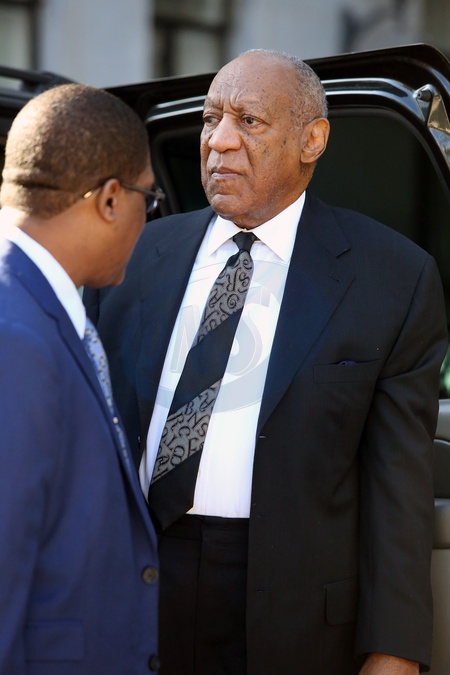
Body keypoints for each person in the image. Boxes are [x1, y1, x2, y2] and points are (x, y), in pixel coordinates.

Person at [84, 50, 448, 674]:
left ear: (312, 140)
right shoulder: (134, 253)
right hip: (133, 585)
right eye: (210, 119)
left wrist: (394, 652)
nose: (218, 142)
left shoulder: (392, 277)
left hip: (293, 615)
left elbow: (398, 489)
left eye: (248, 121)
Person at [0, 83, 162, 673]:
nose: (149, 217)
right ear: (112, 199)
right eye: (150, 196)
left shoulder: (31, 308)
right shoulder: (14, 338)